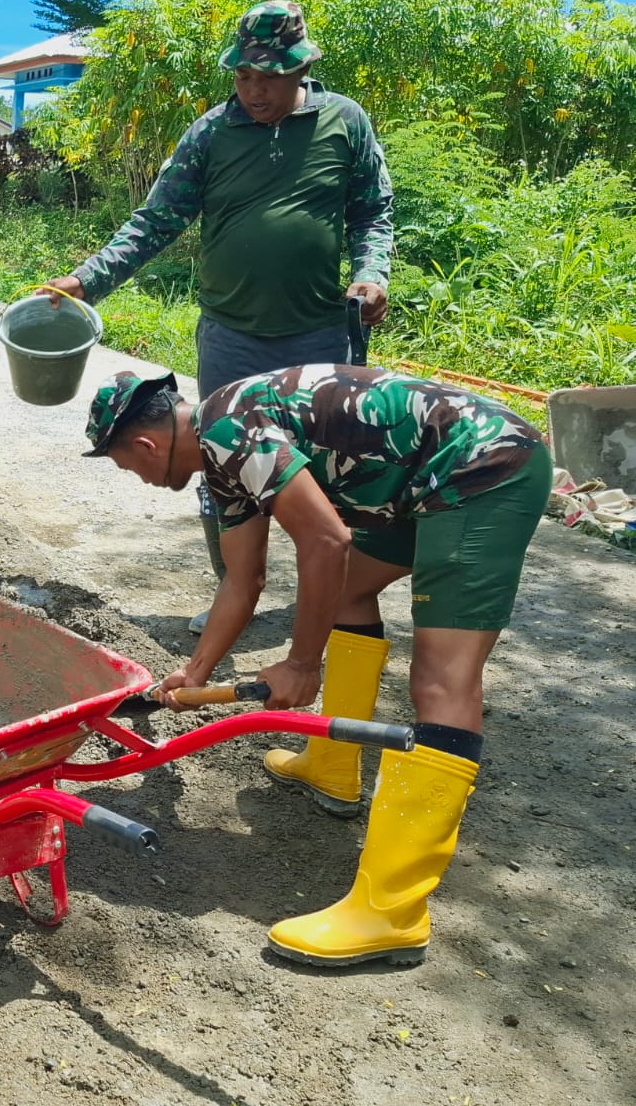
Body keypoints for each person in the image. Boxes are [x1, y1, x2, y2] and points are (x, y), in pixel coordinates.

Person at [80, 364, 552, 967]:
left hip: (481, 468)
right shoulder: (220, 457)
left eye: (126, 466)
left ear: (146, 445)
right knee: (349, 592)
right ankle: (332, 767)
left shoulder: (228, 428)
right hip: (418, 481)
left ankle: (392, 912)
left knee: (443, 681)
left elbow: (327, 540)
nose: (138, 478)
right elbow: (242, 580)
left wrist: (302, 663)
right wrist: (195, 673)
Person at [44, 0, 394, 634]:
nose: (255, 91)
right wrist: (89, 280)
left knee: (331, 470)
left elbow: (373, 211)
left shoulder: (344, 121)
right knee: (225, 463)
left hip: (320, 336)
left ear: (301, 70)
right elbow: (156, 220)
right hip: (233, 337)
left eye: (269, 78)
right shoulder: (211, 132)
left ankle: (337, 598)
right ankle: (237, 590)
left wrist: (372, 274)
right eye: (244, 76)